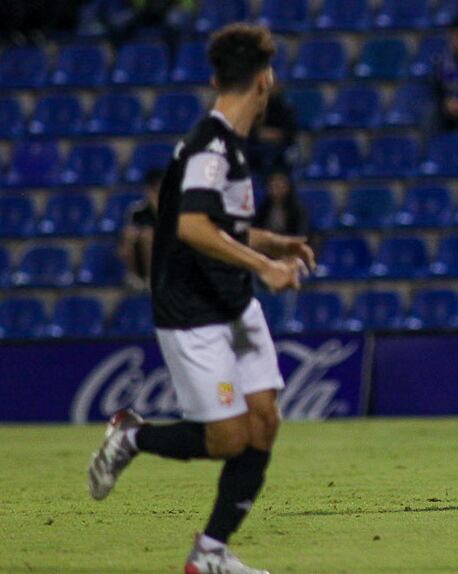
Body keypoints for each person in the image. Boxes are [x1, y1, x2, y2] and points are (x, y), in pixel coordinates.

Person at [88, 23, 315, 574]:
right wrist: (267, 267)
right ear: (265, 81)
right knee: (227, 438)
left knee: (263, 422)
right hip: (192, 310)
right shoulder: (210, 148)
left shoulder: (226, 150)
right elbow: (191, 227)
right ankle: (131, 436)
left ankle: (209, 554)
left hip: (233, 303)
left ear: (217, 78)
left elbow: (219, 225)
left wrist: (269, 240)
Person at [117, 168, 163, 289]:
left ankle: (152, 278)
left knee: (148, 235)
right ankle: (135, 276)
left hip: (166, 250)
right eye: (154, 189)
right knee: (129, 236)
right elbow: (129, 231)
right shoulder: (137, 210)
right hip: (141, 252)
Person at [246, 86, 298, 175]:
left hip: (279, 151)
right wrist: (258, 133)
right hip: (254, 150)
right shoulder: (249, 108)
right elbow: (245, 131)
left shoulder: (283, 106)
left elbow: (289, 132)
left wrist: (276, 134)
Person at [254, 170, 308, 237]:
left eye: (277, 186)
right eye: (271, 186)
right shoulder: (264, 207)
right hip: (266, 242)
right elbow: (256, 227)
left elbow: (300, 232)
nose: (273, 190)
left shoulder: (297, 209)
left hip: (289, 243)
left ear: (287, 188)